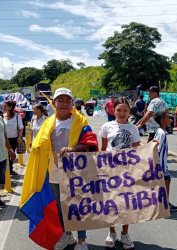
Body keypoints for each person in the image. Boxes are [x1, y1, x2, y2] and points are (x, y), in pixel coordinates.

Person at [43, 88, 97, 250]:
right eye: (61, 100)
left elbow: (90, 141)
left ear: (72, 103)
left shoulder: (80, 121)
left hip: (76, 172)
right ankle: (67, 236)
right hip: (54, 171)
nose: (64, 104)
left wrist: (73, 149)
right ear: (54, 103)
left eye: (68, 101)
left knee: (78, 205)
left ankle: (82, 241)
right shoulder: (48, 123)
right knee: (60, 206)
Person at [99, 97, 140, 249]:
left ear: (129, 112)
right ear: (113, 111)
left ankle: (125, 233)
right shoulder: (106, 126)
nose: (122, 113)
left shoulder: (133, 129)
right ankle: (112, 232)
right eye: (118, 110)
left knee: (126, 203)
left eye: (125, 110)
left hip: (127, 172)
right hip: (110, 171)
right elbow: (103, 148)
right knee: (111, 203)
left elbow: (137, 150)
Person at [153, 111, 177, 212]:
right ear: (162, 120)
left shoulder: (161, 131)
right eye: (168, 118)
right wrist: (161, 166)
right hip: (160, 164)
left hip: (162, 163)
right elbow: (158, 150)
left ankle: (165, 202)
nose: (170, 119)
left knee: (165, 182)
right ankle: (164, 204)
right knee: (166, 182)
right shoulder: (161, 133)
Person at [3, 100, 24, 175]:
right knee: (3, 154)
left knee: (11, 154)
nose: (4, 108)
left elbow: (21, 127)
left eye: (5, 106)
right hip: (3, 139)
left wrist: (19, 136)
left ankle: (10, 169)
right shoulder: (2, 116)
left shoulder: (17, 116)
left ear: (10, 107)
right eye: (3, 106)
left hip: (13, 138)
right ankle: (4, 169)